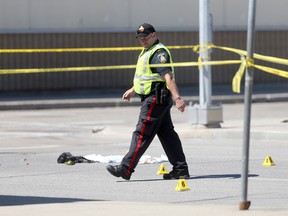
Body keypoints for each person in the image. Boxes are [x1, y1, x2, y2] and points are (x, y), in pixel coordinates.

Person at [106, 23, 189, 180]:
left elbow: (167, 77)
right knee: (167, 135)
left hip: (155, 101)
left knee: (141, 133)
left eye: (145, 37)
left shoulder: (159, 53)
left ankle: (125, 168)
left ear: (154, 35)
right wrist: (133, 90)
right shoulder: (148, 51)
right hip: (157, 100)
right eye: (140, 37)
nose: (142, 40)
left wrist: (177, 98)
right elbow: (148, 77)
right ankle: (180, 169)